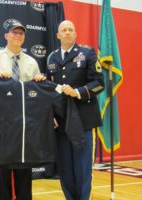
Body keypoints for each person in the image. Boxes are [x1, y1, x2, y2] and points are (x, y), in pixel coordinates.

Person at [0, 21, 45, 200]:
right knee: (4, 168)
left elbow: (36, 95)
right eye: (14, 32)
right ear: (6, 36)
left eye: (21, 33)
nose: (18, 36)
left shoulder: (32, 62)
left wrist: (40, 80)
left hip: (26, 124)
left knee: (25, 167)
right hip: (2, 123)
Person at [47, 20, 104, 200]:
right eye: (64, 30)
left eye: (71, 29)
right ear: (58, 35)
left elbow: (99, 83)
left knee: (83, 167)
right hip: (62, 121)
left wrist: (77, 92)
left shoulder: (87, 53)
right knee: (65, 167)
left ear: (75, 33)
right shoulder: (51, 58)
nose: (67, 32)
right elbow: (51, 89)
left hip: (83, 120)